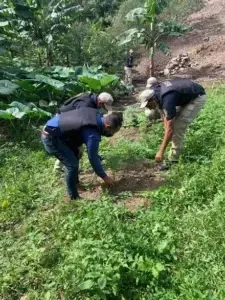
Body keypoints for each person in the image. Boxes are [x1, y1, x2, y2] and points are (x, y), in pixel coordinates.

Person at [41, 107, 123, 201]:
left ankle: (75, 183)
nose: (111, 135)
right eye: (112, 132)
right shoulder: (93, 134)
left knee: (75, 155)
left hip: (58, 131)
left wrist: (78, 145)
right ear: (107, 126)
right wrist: (104, 177)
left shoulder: (95, 114)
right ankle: (74, 197)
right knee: (72, 165)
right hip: (51, 137)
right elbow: (92, 157)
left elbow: (78, 125)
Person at [139, 79, 206, 165]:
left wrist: (160, 151)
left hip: (197, 97)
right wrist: (166, 129)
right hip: (185, 94)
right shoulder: (156, 92)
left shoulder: (167, 100)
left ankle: (173, 160)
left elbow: (170, 128)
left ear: (153, 99)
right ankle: (172, 149)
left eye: (148, 105)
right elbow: (164, 115)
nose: (149, 108)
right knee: (170, 127)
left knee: (177, 127)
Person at [54, 92, 114, 172]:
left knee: (75, 148)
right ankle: (60, 169)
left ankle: (65, 167)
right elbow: (80, 125)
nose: (104, 109)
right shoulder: (85, 105)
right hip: (61, 121)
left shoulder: (92, 98)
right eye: (104, 107)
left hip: (69, 119)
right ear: (100, 103)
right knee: (74, 148)